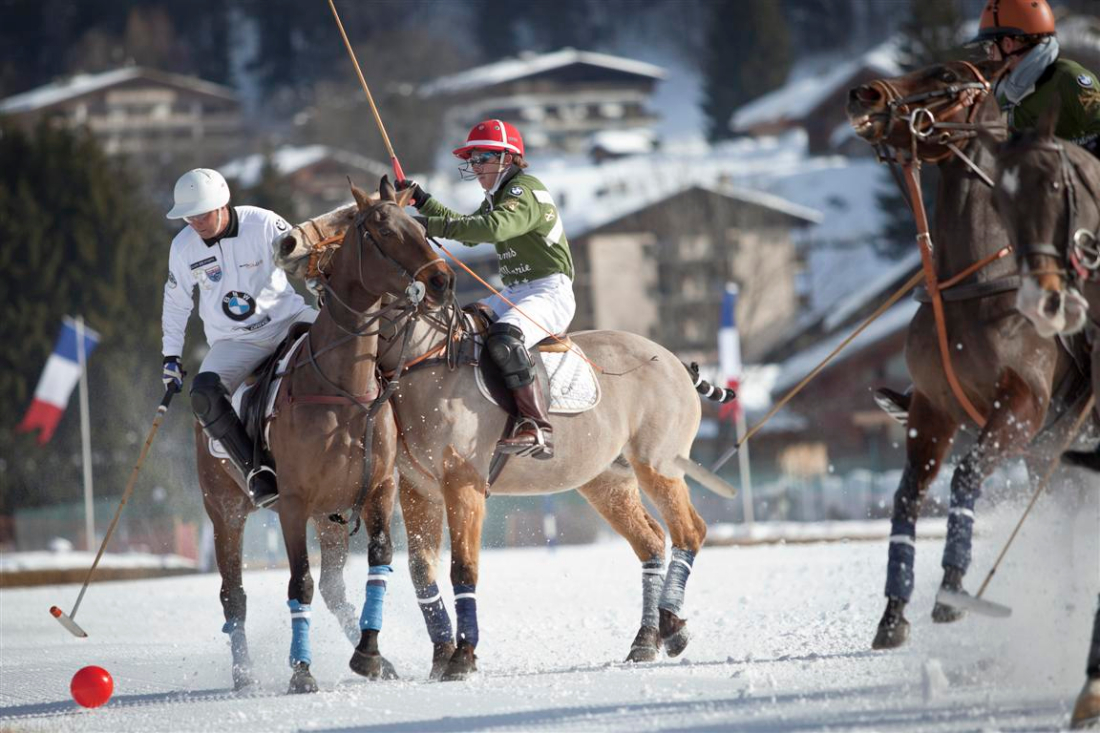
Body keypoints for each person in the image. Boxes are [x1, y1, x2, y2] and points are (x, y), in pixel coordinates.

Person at [875, 0, 1100, 426]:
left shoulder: (1072, 81)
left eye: (994, 48)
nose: (990, 58)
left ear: (1016, 43)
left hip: (1083, 208)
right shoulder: (1003, 95)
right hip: (1034, 213)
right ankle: (945, 380)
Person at [399, 119, 575, 459]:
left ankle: (537, 427)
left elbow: (495, 228)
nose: (475, 167)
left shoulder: (524, 190)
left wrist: (426, 224)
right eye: (472, 160)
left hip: (549, 291)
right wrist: (423, 202)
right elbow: (468, 232)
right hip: (514, 292)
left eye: (482, 158)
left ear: (507, 158)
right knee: (459, 329)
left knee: (505, 338)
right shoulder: (498, 195)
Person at [161, 168, 316, 508]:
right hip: (235, 342)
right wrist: (171, 357)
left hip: (288, 321)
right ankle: (256, 472)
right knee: (203, 393)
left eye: (202, 214)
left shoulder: (262, 224)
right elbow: (176, 303)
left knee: (349, 343)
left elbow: (305, 259)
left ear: (222, 204)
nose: (197, 223)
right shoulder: (183, 247)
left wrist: (319, 282)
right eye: (189, 217)